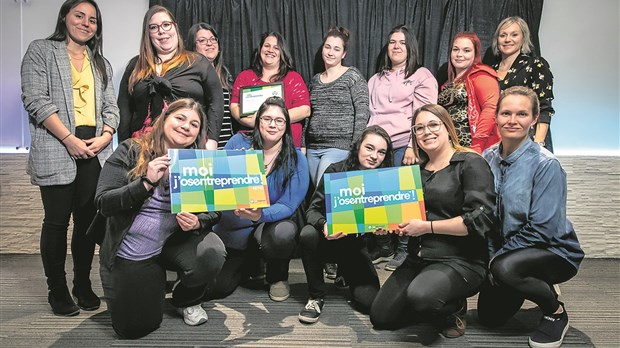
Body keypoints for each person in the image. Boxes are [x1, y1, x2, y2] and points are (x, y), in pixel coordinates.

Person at [96, 98, 226, 339]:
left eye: (194, 124)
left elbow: (215, 210)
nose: (187, 126)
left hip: (170, 242)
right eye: (180, 118)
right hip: (130, 250)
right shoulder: (131, 149)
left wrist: (199, 222)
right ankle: (146, 281)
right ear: (165, 118)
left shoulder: (197, 163)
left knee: (213, 251)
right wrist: (145, 182)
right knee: (135, 329)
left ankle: (184, 297)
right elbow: (104, 202)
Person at [20, 0, 119, 317]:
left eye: (93, 19)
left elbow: (111, 109)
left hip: (94, 149)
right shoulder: (41, 50)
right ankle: (57, 289)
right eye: (80, 15)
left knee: (86, 225)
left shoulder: (101, 63)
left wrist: (105, 136)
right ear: (64, 17)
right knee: (56, 223)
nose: (86, 23)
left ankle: (82, 284)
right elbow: (35, 99)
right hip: (57, 144)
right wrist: (68, 139)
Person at [369, 104, 496, 339]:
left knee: (422, 297)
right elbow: (407, 219)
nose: (426, 132)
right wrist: (389, 226)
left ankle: (453, 307)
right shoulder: (414, 172)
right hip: (418, 259)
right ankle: (429, 298)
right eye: (419, 128)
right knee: (381, 317)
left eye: (433, 125)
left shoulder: (470, 163)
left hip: (460, 260)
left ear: (447, 127)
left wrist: (425, 227)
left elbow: (479, 220)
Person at [477, 86, 584, 348]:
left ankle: (554, 310)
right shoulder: (486, 158)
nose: (512, 120)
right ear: (497, 117)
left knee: (504, 269)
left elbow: (542, 229)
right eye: (506, 113)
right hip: (508, 250)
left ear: (534, 119)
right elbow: (485, 215)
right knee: (489, 318)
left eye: (521, 114)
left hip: (553, 250)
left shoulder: (546, 164)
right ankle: (525, 279)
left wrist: (495, 260)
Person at [208, 97, 309, 302]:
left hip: (268, 224)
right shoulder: (238, 143)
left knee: (285, 231)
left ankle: (277, 277)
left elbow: (289, 204)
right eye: (267, 119)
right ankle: (250, 264)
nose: (273, 124)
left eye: (279, 120)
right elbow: (217, 184)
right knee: (217, 289)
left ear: (286, 125)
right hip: (233, 227)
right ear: (258, 121)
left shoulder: (296, 158)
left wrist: (260, 214)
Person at [298, 125, 393, 324]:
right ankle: (315, 296)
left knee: (370, 303)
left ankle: (345, 274)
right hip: (327, 241)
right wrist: (325, 225)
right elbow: (312, 211)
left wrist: (382, 234)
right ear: (358, 146)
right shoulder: (335, 171)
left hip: (355, 247)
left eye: (381, 152)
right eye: (369, 148)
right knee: (308, 234)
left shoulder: (387, 181)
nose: (374, 156)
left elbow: (387, 245)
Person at [367, 24, 438, 271]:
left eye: (402, 42)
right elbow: (370, 113)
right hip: (377, 144)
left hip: (403, 144)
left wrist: (412, 146)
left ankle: (404, 249)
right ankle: (384, 245)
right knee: (375, 198)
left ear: (410, 47)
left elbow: (423, 116)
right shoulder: (376, 78)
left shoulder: (421, 76)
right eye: (392, 42)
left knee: (404, 200)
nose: (396, 46)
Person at [117, 5, 224, 149]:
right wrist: (123, 147)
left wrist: (212, 140)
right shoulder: (135, 66)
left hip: (189, 148)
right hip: (142, 149)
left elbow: (216, 103)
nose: (162, 31)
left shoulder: (198, 62)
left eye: (166, 25)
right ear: (147, 33)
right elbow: (124, 110)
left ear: (175, 27)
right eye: (154, 27)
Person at [304, 26, 370, 186]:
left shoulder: (352, 76)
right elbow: (308, 114)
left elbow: (362, 113)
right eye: (327, 47)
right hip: (313, 148)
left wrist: (356, 147)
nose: (330, 52)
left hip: (339, 146)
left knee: (325, 190)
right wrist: (302, 145)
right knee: (318, 195)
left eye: (336, 49)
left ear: (343, 54)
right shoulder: (315, 80)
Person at [230, 32, 310, 147]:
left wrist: (272, 120)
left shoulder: (293, 78)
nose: (270, 50)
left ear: (282, 53)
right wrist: (253, 122)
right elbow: (234, 106)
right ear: (260, 49)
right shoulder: (245, 76)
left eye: (276, 47)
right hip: (250, 140)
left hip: (286, 143)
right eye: (267, 46)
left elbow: (305, 110)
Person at [491, 17, 555, 152]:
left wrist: (537, 144)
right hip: (498, 141)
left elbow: (544, 108)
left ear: (523, 38)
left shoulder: (536, 65)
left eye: (514, 35)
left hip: (529, 140)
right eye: (503, 35)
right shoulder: (491, 70)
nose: (508, 39)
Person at [438, 32, 500, 154]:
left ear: (475, 54)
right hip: (449, 148)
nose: (459, 54)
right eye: (455, 50)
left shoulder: (481, 75)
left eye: (466, 50)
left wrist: (477, 145)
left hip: (471, 147)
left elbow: (491, 109)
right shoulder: (447, 81)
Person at [186, 23, 234, 148]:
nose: (209, 43)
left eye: (213, 39)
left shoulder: (226, 75)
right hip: (203, 146)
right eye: (202, 40)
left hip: (227, 146)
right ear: (193, 46)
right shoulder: (190, 79)